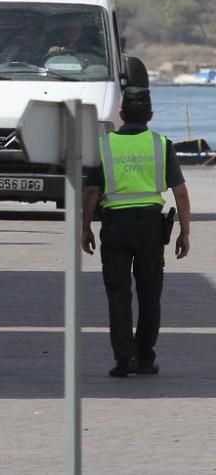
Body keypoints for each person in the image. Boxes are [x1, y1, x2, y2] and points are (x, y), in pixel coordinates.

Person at [81, 87, 191, 377]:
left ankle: (123, 359)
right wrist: (185, 233)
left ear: (120, 115)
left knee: (118, 295)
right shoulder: (161, 144)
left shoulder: (104, 146)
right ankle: (144, 358)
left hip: (115, 226)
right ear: (150, 116)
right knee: (150, 294)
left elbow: (91, 190)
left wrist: (85, 228)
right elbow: (180, 193)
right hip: (150, 228)